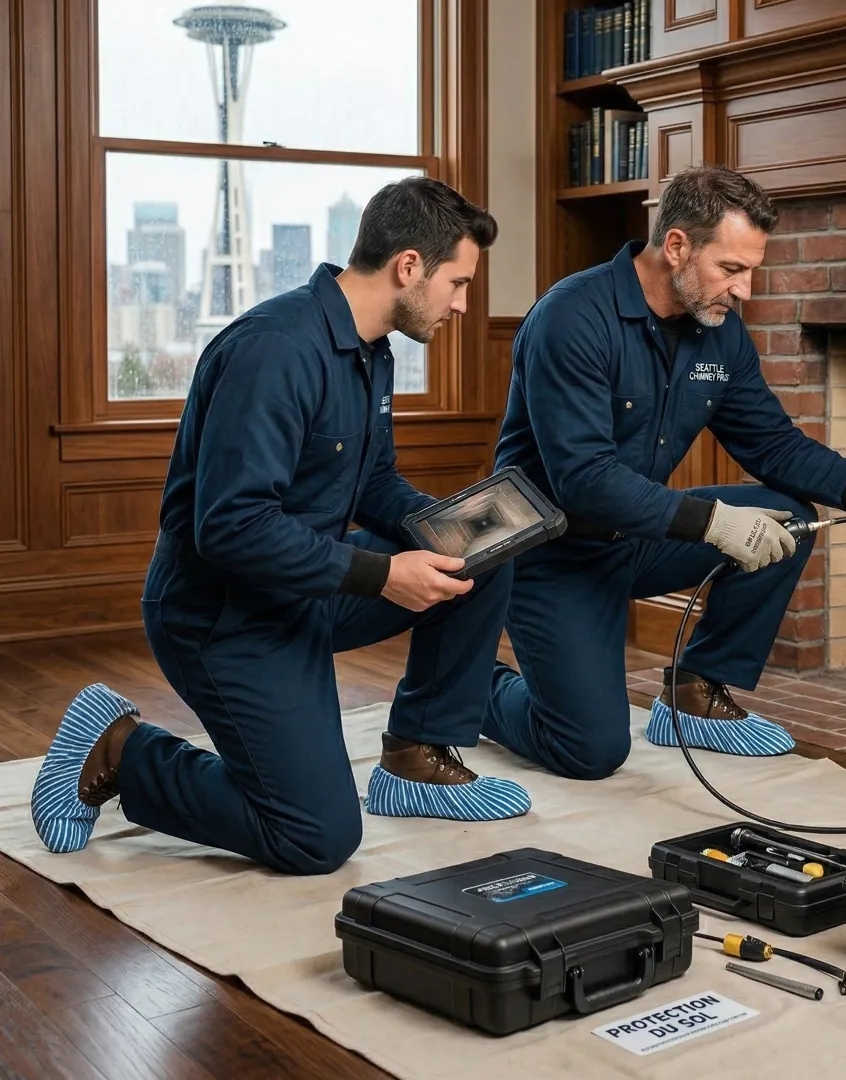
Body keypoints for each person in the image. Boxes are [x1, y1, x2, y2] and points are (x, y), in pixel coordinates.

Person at [32, 177, 530, 877]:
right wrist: (386, 575)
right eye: (458, 281)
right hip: (223, 617)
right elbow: (230, 526)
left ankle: (417, 761)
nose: (462, 302)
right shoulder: (273, 350)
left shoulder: (370, 350)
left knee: (480, 555)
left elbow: (374, 483)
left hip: (305, 589)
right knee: (315, 839)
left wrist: (451, 527)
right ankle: (122, 749)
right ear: (409, 266)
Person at [484, 165, 846, 781]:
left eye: (751, 271)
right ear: (677, 245)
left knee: (789, 517)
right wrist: (712, 522)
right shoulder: (572, 319)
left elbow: (775, 447)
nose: (744, 291)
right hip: (549, 552)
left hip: (634, 534)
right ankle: (478, 686)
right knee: (590, 751)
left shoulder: (720, 335)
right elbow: (583, 478)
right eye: (731, 270)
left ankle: (694, 697)